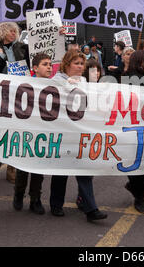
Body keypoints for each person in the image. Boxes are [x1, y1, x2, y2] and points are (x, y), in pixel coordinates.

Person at [49, 49, 108, 222]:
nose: (80, 67)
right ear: (66, 65)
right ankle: (56, 204)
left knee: (85, 170)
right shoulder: (55, 81)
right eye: (76, 63)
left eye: (82, 64)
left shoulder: (84, 81)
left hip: (80, 132)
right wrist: (68, 84)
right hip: (63, 131)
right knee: (61, 172)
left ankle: (90, 208)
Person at [0, 22, 29, 183]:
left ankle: (11, 168)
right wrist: (1, 58)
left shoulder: (24, 48)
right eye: (9, 30)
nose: (12, 33)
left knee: (17, 131)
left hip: (20, 95)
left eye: (14, 30)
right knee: (3, 132)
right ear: (2, 32)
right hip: (0, 95)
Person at [12, 53, 53, 215]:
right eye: (45, 64)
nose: (49, 67)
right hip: (26, 131)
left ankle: (35, 199)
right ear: (35, 68)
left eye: (50, 64)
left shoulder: (55, 86)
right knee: (23, 168)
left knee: (38, 170)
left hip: (43, 133)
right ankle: (19, 194)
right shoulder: (24, 84)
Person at [123, 50, 144, 214]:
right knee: (136, 165)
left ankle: (136, 190)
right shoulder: (128, 80)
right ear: (138, 63)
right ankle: (139, 197)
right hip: (132, 128)